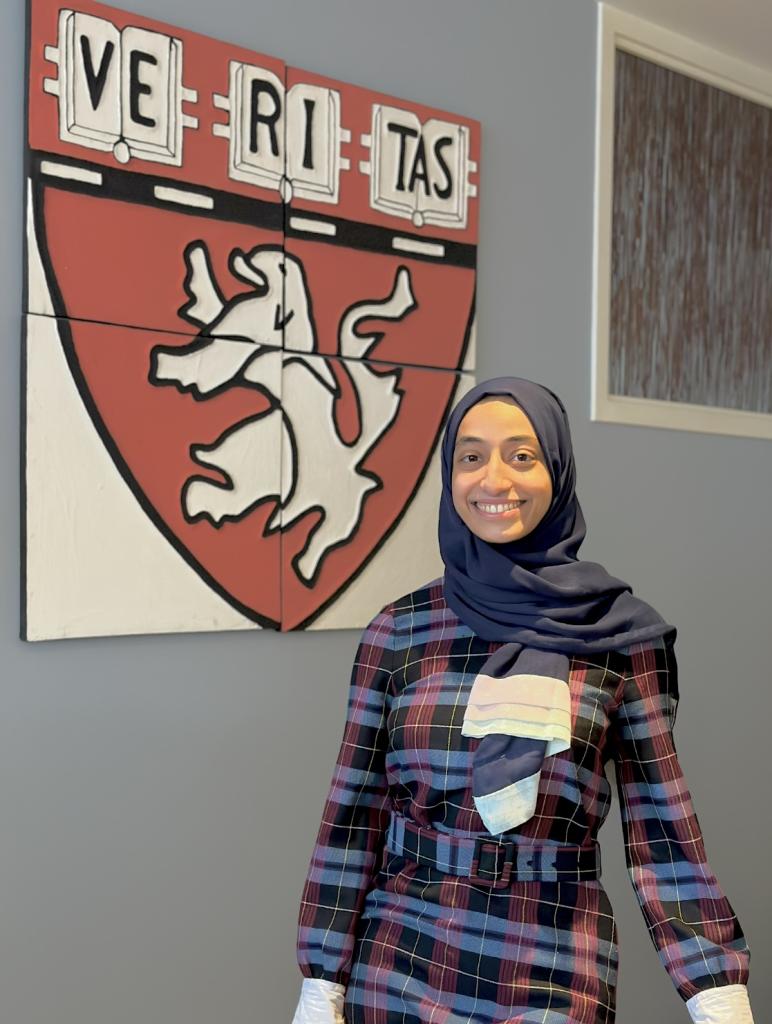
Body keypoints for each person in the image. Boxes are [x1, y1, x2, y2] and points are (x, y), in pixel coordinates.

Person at [291, 377, 754, 1024]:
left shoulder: (620, 639)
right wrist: (321, 981)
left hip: (556, 961)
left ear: (557, 471)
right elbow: (353, 815)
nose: (495, 480)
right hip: (402, 959)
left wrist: (717, 991)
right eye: (471, 457)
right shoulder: (398, 631)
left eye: (522, 455)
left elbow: (664, 832)